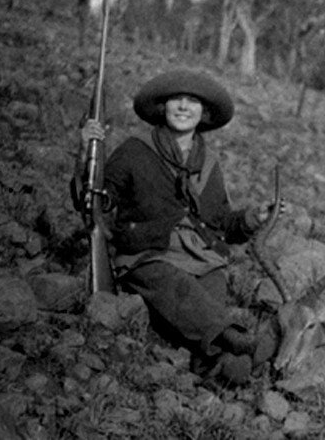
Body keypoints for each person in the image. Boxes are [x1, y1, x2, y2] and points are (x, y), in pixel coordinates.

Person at [74, 68, 280, 385]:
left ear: (204, 114)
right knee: (175, 286)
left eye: (192, 102)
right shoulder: (134, 150)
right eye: (176, 100)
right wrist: (85, 153)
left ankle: (218, 365)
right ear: (163, 108)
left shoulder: (209, 163)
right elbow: (96, 199)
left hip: (202, 259)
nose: (183, 107)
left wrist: (254, 218)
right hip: (148, 256)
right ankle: (235, 338)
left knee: (206, 304)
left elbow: (222, 224)